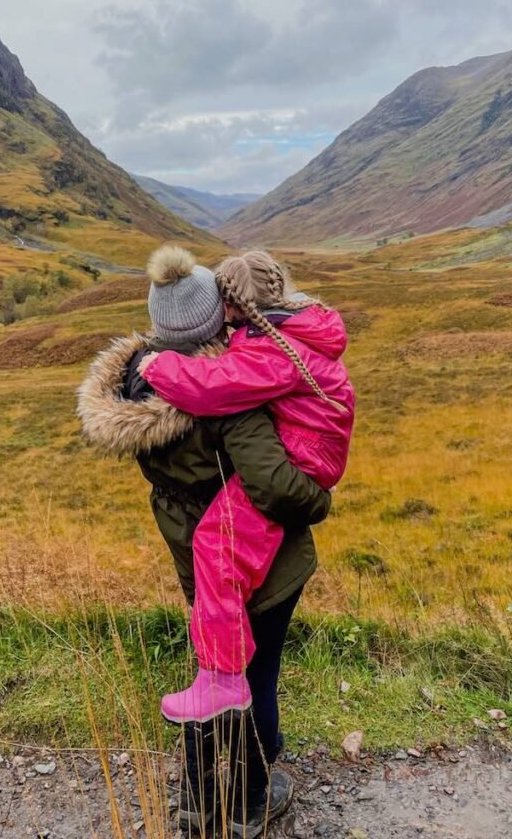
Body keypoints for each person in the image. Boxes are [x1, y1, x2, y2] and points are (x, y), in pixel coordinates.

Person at [77, 245, 332, 838]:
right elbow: (272, 484)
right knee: (253, 675)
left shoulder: (138, 392)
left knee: (210, 670)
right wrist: (318, 501)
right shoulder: (228, 398)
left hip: (192, 559)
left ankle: (195, 799)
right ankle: (249, 803)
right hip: (260, 565)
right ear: (215, 318)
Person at [139, 250, 355, 723]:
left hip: (303, 454)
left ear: (234, 307)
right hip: (309, 454)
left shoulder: (268, 354)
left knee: (217, 545)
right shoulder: (290, 330)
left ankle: (221, 680)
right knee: (265, 669)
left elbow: (216, 385)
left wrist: (157, 368)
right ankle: (248, 744)